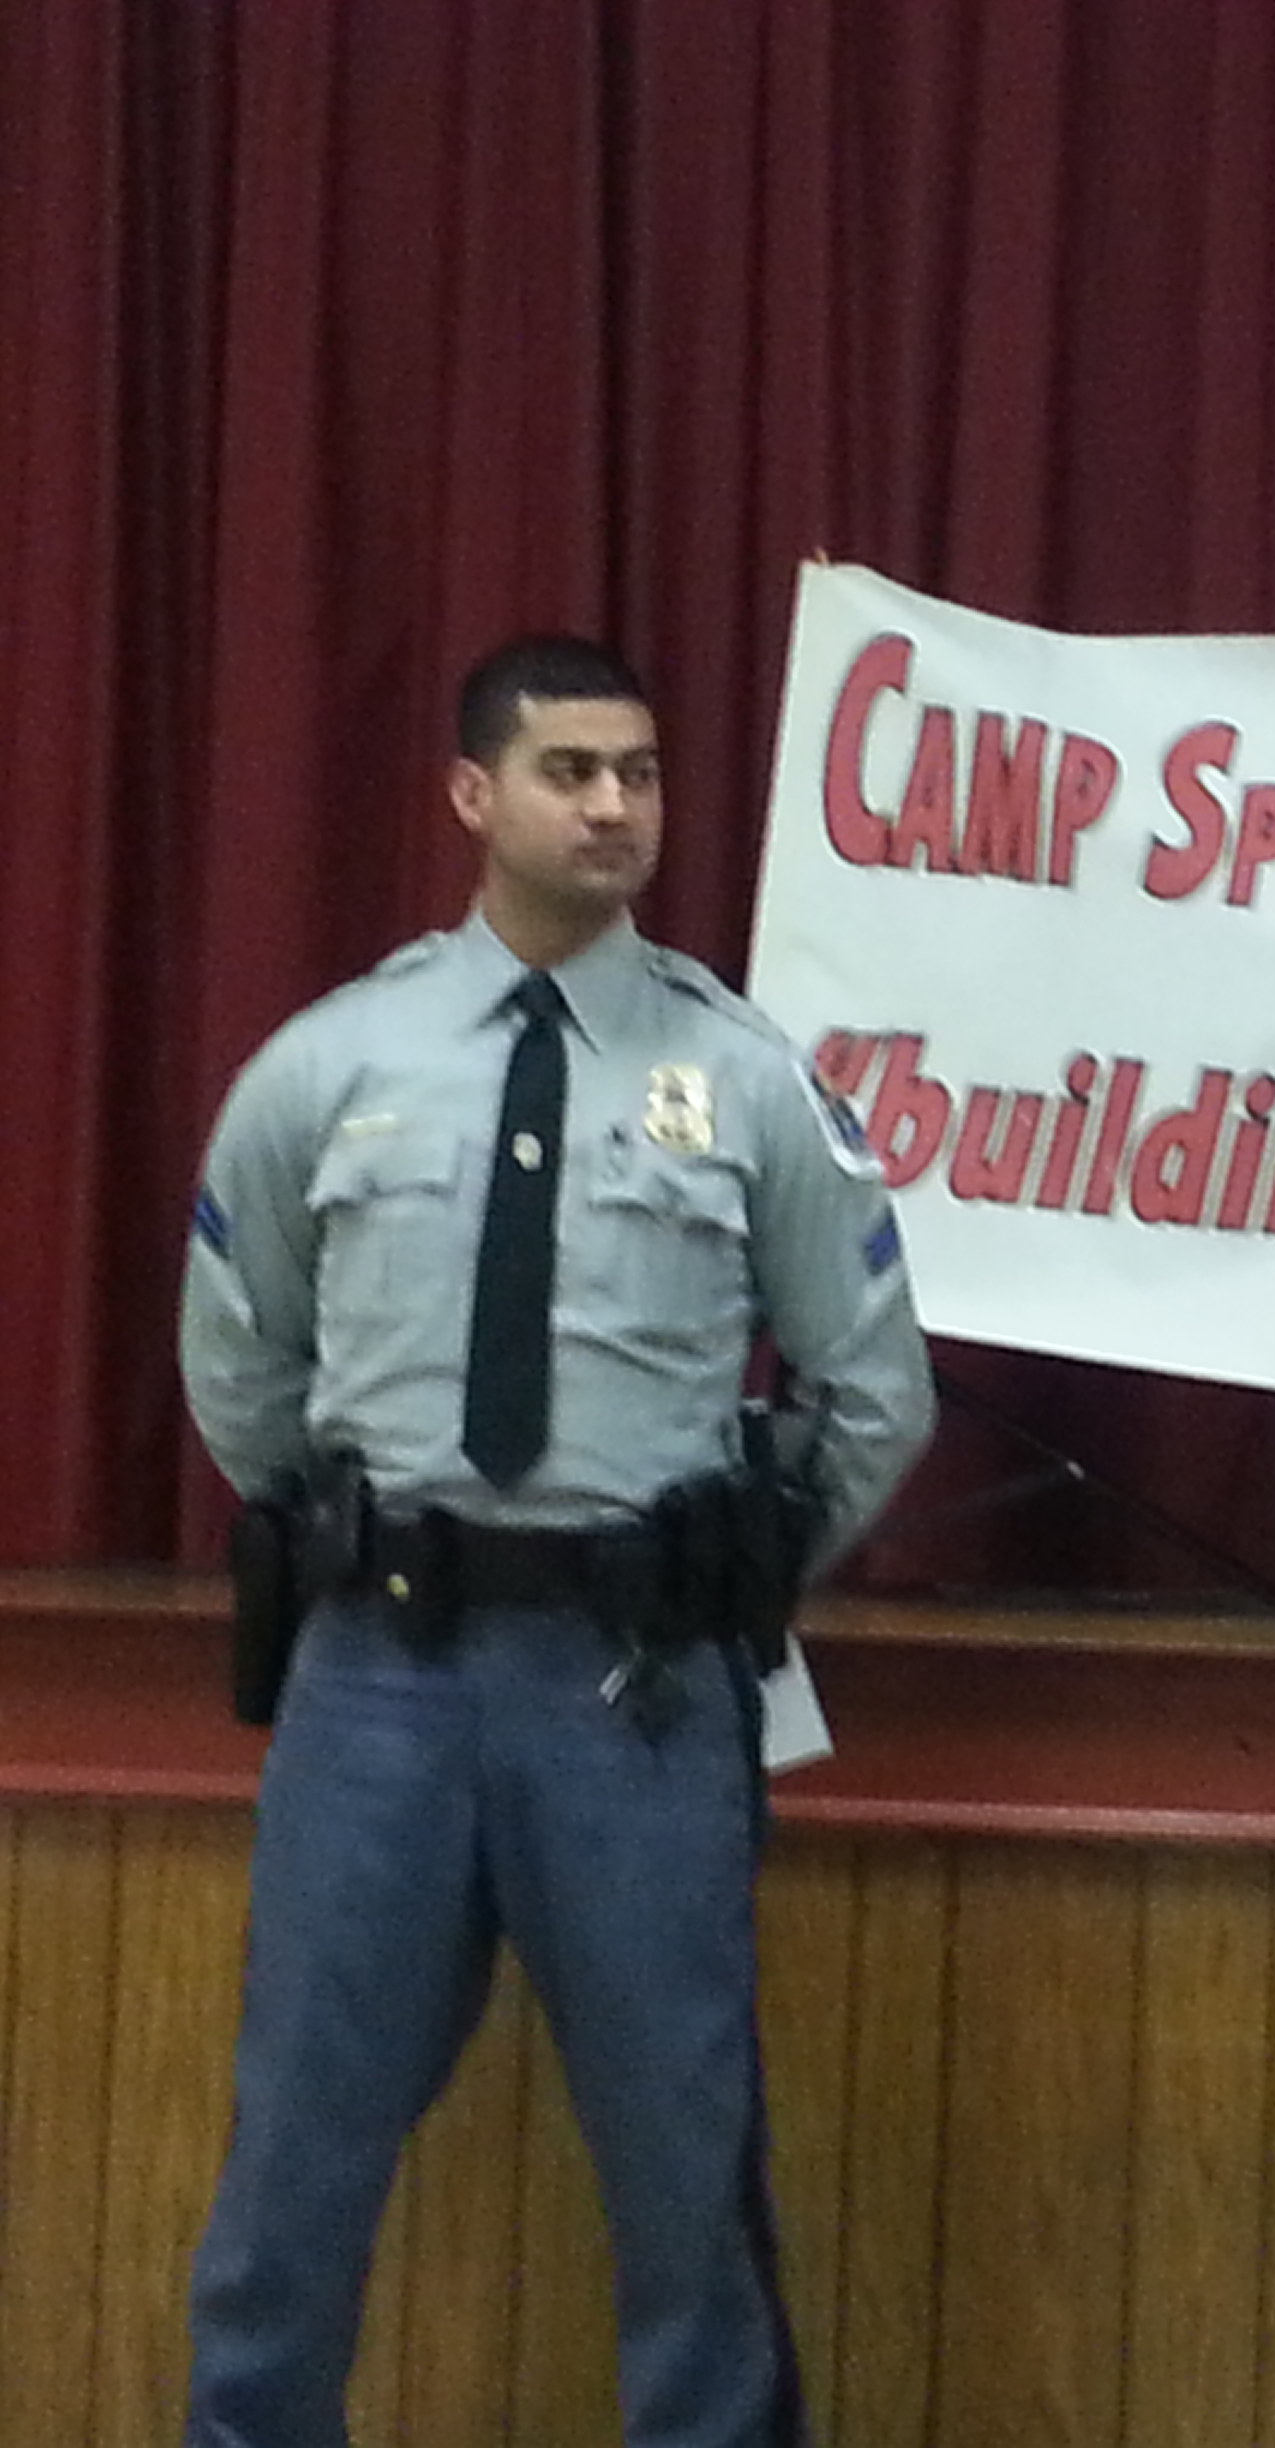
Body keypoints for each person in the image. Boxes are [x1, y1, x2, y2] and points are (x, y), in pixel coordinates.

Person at [176, 634, 936, 2447]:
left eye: (641, 775)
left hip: (636, 1693)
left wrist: (721, 1563)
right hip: (381, 1683)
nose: (613, 807)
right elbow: (242, 1366)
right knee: (295, 2160)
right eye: (570, 771)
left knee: (686, 2171)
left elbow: (873, 1389)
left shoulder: (747, 1079)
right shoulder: (327, 1066)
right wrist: (368, 1530)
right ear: (472, 794)